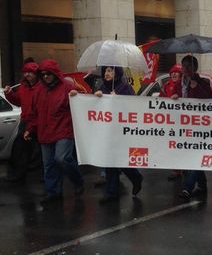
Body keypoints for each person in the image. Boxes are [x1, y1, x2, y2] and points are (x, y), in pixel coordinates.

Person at [26, 59, 85, 205]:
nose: (45, 76)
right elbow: (34, 112)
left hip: (63, 130)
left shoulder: (67, 86)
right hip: (45, 132)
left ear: (55, 74)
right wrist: (29, 129)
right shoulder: (39, 89)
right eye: (43, 74)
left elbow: (83, 98)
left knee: (62, 158)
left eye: (48, 74)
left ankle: (78, 180)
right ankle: (53, 192)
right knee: (49, 164)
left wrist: (76, 94)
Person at [93, 66, 143, 203]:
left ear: (117, 73)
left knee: (121, 161)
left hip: (122, 131)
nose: (107, 73)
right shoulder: (102, 88)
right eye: (105, 71)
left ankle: (135, 177)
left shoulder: (125, 88)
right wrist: (96, 98)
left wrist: (118, 99)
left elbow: (134, 107)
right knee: (110, 161)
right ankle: (111, 193)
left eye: (110, 70)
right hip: (108, 131)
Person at [173, 55, 212, 201]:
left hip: (199, 127)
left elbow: (209, 101)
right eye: (184, 66)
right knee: (190, 157)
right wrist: (174, 97)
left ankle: (187, 188)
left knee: (196, 157)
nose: (186, 69)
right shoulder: (178, 84)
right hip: (183, 126)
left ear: (195, 68)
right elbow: (170, 99)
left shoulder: (203, 82)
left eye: (189, 67)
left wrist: (197, 88)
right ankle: (202, 185)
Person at [3, 61, 41, 182]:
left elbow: (39, 109)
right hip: (25, 121)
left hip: (38, 122)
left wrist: (31, 128)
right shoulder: (23, 87)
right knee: (21, 150)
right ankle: (19, 175)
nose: (27, 75)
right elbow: (18, 102)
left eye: (30, 72)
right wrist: (9, 94)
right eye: (25, 72)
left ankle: (45, 176)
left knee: (42, 151)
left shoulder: (41, 88)